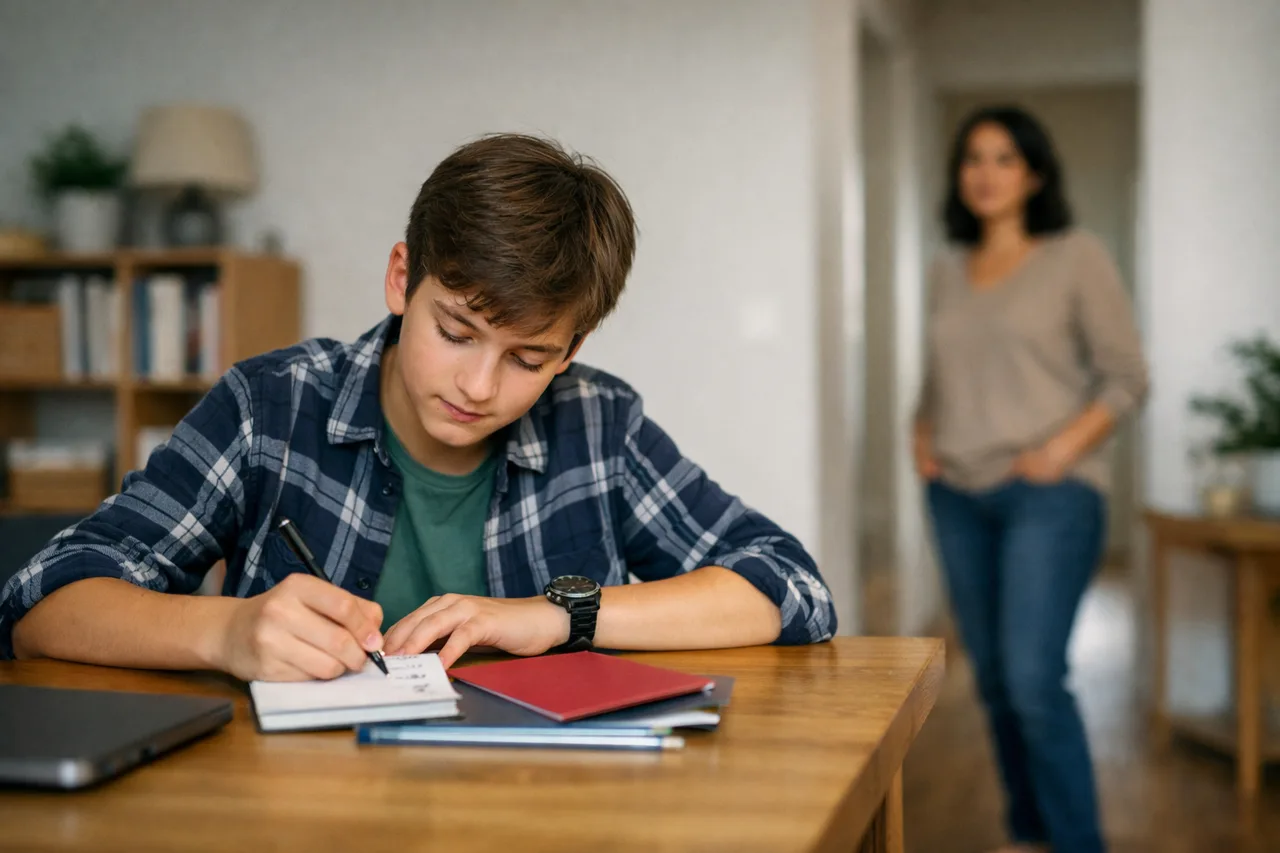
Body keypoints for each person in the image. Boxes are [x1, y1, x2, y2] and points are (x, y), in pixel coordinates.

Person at [3, 134, 837, 678]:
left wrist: (560, 617)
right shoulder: (271, 407)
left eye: (528, 357)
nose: (479, 386)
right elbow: (44, 601)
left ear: (572, 352)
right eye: (457, 330)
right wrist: (224, 632)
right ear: (403, 278)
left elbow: (791, 585)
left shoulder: (598, 421)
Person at [913, 107, 1147, 853]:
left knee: (1033, 679)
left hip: (1050, 493)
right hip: (955, 493)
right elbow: (943, 375)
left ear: (1035, 174)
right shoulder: (946, 269)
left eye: (1005, 158)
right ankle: (1030, 832)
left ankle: (1078, 842)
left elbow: (1127, 377)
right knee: (993, 684)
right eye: (973, 158)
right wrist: (921, 431)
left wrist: (1059, 451)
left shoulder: (1075, 256)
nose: (986, 172)